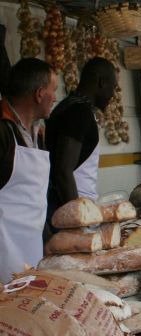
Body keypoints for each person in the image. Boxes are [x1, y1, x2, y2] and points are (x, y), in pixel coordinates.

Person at [0, 58, 57, 283]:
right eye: (54, 90)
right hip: (4, 253)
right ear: (39, 94)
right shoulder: (3, 131)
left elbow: (33, 196)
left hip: (31, 250)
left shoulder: (37, 133)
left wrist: (47, 238)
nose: (55, 97)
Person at [46, 57, 117, 212]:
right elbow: (63, 171)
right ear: (101, 82)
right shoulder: (79, 112)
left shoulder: (68, 106)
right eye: (113, 87)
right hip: (70, 212)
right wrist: (78, 219)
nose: (113, 94)